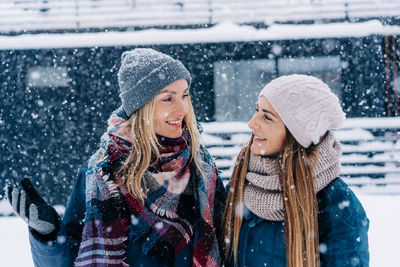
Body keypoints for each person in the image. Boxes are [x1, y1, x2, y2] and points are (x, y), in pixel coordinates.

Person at [7, 48, 226, 267]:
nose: (182, 109)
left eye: (185, 95)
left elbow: (230, 249)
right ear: (142, 107)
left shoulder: (201, 168)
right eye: (168, 99)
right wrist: (49, 237)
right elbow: (71, 260)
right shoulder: (99, 174)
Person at [223, 74, 369, 267]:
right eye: (256, 110)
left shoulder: (336, 204)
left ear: (296, 135)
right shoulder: (241, 183)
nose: (252, 123)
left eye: (267, 117)